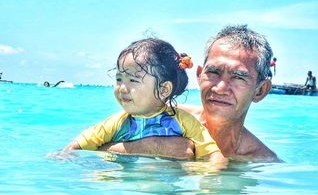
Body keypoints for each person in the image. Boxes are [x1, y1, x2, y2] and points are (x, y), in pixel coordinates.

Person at [100, 25, 281, 163]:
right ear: (199, 74)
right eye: (213, 72)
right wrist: (151, 146)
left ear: (260, 90)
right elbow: (85, 151)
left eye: (239, 77)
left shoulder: (264, 162)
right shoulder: (157, 114)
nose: (220, 88)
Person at [61, 38, 224, 162]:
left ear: (163, 89)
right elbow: (77, 147)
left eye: (132, 80)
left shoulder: (184, 122)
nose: (122, 87)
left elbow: (212, 154)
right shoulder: (116, 123)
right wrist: (62, 157)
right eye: (119, 79)